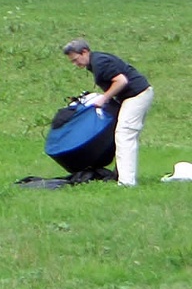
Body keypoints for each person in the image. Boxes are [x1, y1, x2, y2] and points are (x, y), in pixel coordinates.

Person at [62, 39, 154, 187]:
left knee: (124, 134)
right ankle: (123, 176)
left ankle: (126, 182)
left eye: (76, 59)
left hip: (136, 95)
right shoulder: (97, 61)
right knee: (126, 135)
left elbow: (121, 81)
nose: (75, 64)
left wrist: (104, 98)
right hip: (135, 95)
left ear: (84, 52)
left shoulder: (100, 62)